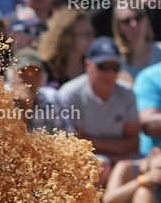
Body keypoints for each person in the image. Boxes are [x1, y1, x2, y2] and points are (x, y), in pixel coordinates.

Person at [58, 37, 142, 185]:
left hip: (120, 159)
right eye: (103, 66)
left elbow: (133, 143)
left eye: (114, 67)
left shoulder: (127, 93)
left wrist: (92, 141)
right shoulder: (70, 94)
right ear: (87, 65)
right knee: (99, 166)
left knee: (149, 165)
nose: (110, 73)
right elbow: (74, 146)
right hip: (83, 162)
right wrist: (115, 152)